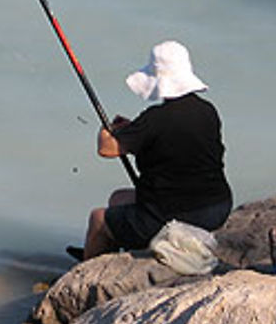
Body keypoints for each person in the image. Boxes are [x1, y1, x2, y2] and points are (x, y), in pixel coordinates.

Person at [70, 40, 232, 261]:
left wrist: (108, 130)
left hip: (177, 216)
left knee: (98, 219)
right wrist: (133, 132)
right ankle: (110, 247)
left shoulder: (155, 119)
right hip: (216, 207)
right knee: (118, 199)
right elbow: (171, 142)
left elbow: (107, 149)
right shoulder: (207, 111)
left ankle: (89, 267)